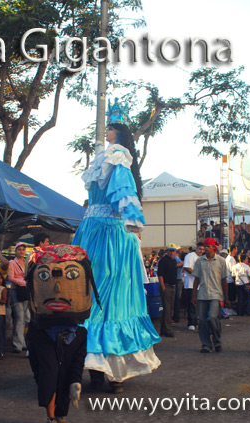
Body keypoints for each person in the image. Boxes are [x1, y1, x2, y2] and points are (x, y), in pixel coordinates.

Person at [72, 109, 160, 393]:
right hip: (94, 229)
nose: (106, 133)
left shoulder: (118, 156)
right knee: (92, 290)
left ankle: (112, 371)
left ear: (119, 134)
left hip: (109, 230)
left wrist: (132, 219)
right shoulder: (104, 156)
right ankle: (99, 368)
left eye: (111, 129)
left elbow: (123, 190)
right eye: (107, 129)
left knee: (112, 293)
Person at [26, 245, 93, 423]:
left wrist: (76, 381)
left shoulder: (80, 334)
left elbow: (78, 362)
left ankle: (61, 414)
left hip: (70, 334)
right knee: (49, 373)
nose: (57, 288)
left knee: (66, 375)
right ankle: (50, 419)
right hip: (44, 334)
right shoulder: (37, 334)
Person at [192, 237, 230, 353]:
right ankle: (206, 344)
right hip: (202, 294)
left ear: (214, 247)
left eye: (208, 246)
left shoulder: (221, 261)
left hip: (216, 294)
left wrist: (226, 298)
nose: (205, 248)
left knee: (213, 317)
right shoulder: (199, 261)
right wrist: (194, 295)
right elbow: (196, 279)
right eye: (205, 246)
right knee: (202, 320)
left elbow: (224, 280)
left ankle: (217, 341)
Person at [8, 242, 29, 353]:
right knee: (19, 316)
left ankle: (22, 342)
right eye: (19, 249)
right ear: (16, 251)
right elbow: (10, 277)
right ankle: (17, 344)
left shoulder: (26, 262)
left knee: (26, 317)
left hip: (24, 291)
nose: (21, 251)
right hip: (16, 290)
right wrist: (21, 282)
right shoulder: (12, 262)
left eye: (23, 249)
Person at [183, 242, 205, 331]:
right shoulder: (190, 256)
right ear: (196, 248)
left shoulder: (202, 258)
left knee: (199, 305)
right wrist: (198, 275)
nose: (201, 251)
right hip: (191, 285)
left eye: (203, 249)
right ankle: (191, 323)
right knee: (191, 304)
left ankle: (197, 322)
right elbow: (187, 268)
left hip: (200, 285)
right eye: (200, 249)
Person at [157, 243, 178, 337]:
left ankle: (164, 329)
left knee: (170, 308)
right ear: (167, 251)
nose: (172, 252)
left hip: (172, 286)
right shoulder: (163, 261)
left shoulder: (173, 261)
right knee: (167, 309)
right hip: (166, 286)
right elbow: (160, 275)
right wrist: (163, 287)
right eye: (170, 250)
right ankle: (168, 329)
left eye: (173, 251)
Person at [173, 249, 184, 323]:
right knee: (176, 299)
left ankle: (176, 317)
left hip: (178, 280)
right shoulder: (176, 258)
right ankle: (176, 316)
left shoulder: (175, 258)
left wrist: (173, 266)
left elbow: (181, 263)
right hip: (178, 279)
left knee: (176, 299)